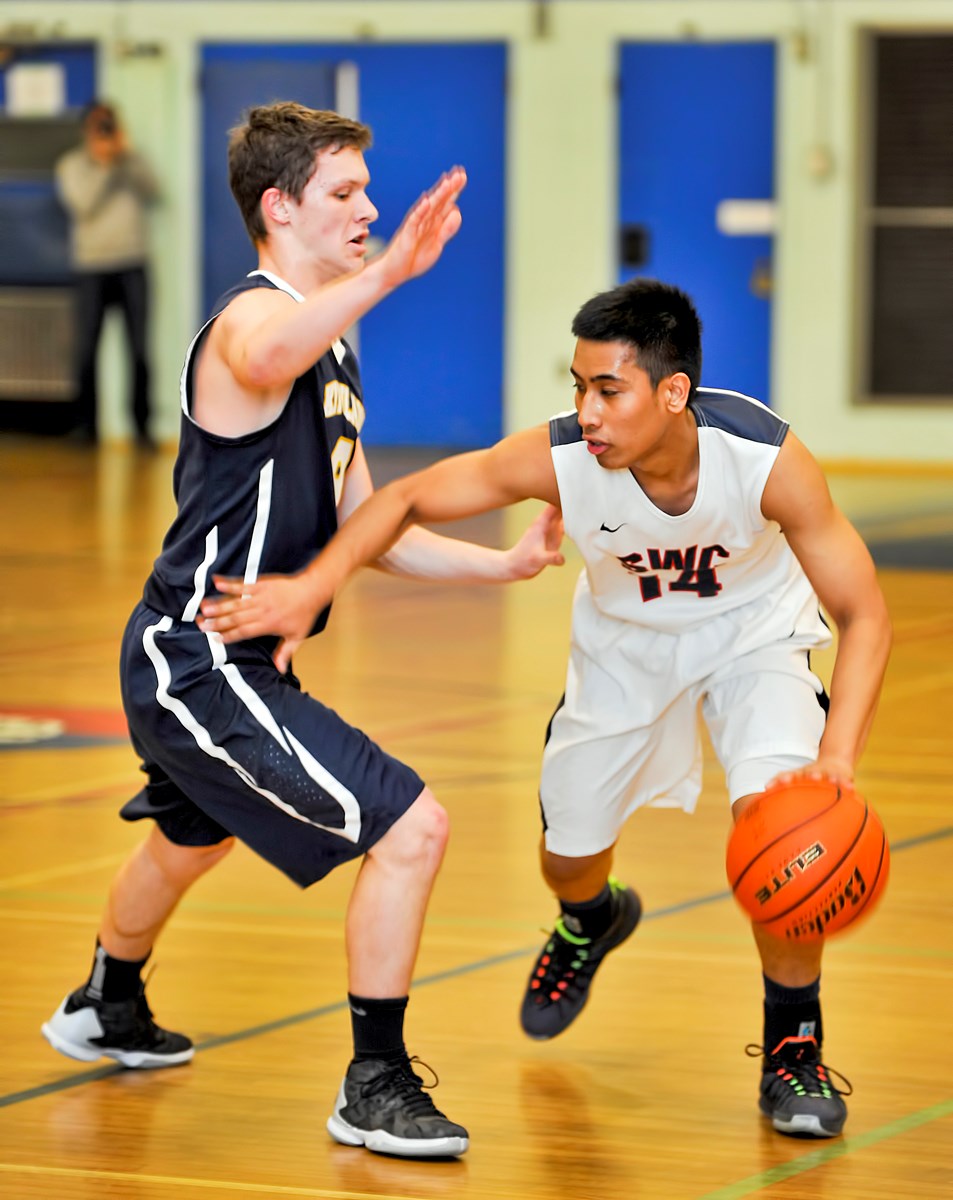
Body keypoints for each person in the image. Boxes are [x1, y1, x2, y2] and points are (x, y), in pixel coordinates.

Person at [199, 277, 892, 1141]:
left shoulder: (764, 458)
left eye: (608, 390)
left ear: (672, 393)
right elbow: (407, 498)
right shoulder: (560, 456)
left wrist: (835, 761)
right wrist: (313, 584)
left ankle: (794, 1047)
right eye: (577, 387)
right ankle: (590, 918)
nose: (586, 411)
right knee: (567, 858)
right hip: (621, 655)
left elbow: (864, 615)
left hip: (754, 644)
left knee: (778, 834)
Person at [41, 102, 565, 1159]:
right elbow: (266, 353)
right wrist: (389, 273)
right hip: (197, 657)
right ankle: (373, 1084)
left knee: (194, 835)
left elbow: (365, 526)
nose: (370, 209)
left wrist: (498, 566)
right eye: (343, 194)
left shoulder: (330, 349)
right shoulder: (254, 325)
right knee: (411, 827)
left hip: (219, 659)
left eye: (368, 193)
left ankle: (105, 1000)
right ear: (278, 209)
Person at [55, 100, 159, 447]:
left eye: (109, 125)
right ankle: (87, 429)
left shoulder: (131, 160)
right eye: (99, 126)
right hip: (91, 268)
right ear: (86, 130)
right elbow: (83, 206)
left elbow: (154, 190)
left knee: (139, 350)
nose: (105, 133)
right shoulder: (71, 165)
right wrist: (103, 165)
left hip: (133, 264)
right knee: (86, 350)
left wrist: (126, 157)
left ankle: (141, 428)